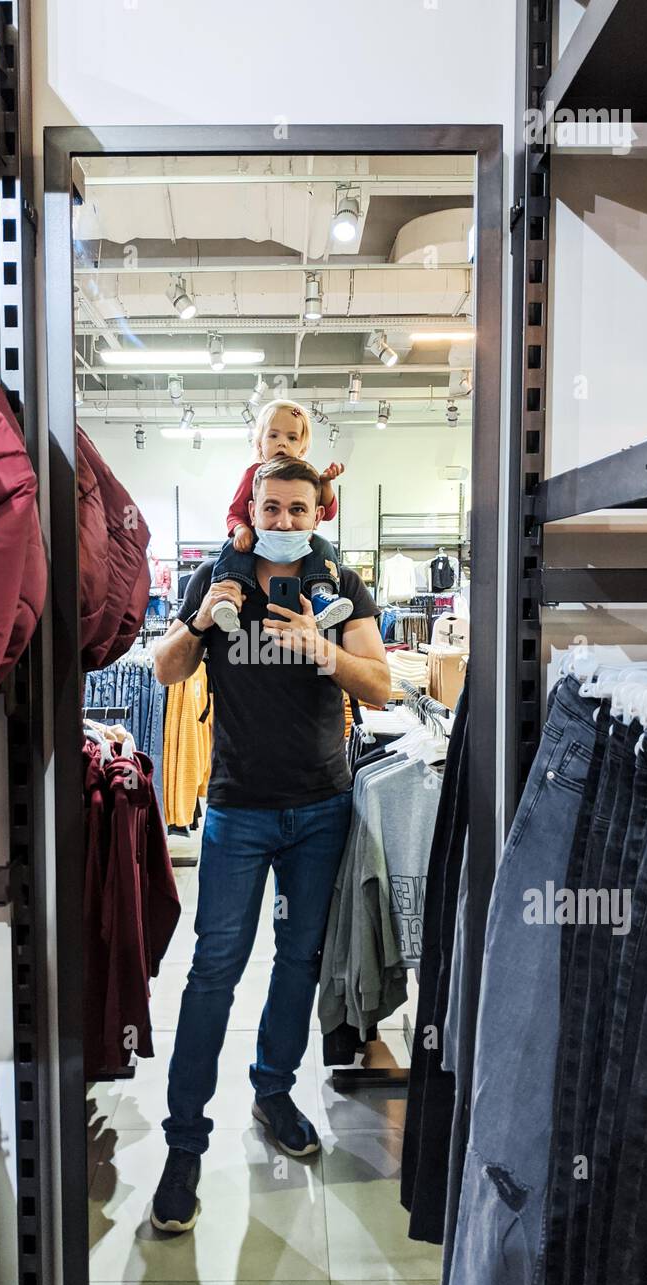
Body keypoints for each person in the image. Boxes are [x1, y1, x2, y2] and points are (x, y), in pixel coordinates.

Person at [149, 455, 391, 1232]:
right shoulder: (219, 580)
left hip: (320, 808)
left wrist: (323, 651)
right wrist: (197, 618)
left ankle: (273, 1091)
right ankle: (184, 1143)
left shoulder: (338, 584)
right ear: (250, 507)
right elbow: (162, 671)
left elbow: (380, 684)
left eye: (298, 509)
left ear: (318, 513)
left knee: (299, 962)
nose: (284, 522)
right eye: (272, 507)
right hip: (237, 811)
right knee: (213, 969)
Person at [209, 398, 352, 632]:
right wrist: (241, 529)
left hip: (299, 549)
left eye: (291, 438)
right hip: (256, 540)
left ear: (302, 448)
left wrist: (324, 484)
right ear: (259, 442)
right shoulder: (253, 474)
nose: (282, 444)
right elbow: (234, 513)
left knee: (323, 546)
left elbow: (330, 513)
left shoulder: (308, 475)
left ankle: (321, 595)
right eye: (273, 436)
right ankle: (228, 595)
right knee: (232, 549)